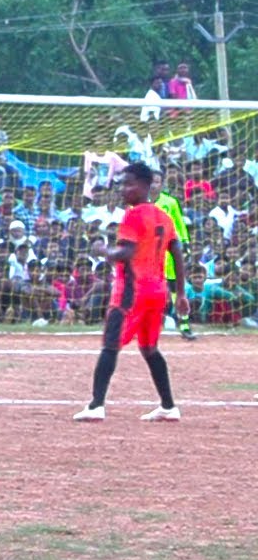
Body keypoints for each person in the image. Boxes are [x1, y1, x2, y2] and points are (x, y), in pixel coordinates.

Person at [74, 163, 189, 423]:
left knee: (110, 345)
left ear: (146, 186)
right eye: (122, 184)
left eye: (129, 184)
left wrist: (103, 251)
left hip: (132, 292)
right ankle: (169, 406)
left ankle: (96, 405)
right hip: (158, 291)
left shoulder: (133, 215)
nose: (124, 190)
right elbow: (177, 250)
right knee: (149, 347)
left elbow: (125, 253)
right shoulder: (163, 216)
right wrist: (180, 293)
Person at [151, 171, 195, 341]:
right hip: (148, 253)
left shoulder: (170, 202)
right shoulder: (139, 204)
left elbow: (179, 224)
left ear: (162, 184)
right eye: (152, 181)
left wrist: (185, 242)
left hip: (168, 252)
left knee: (176, 288)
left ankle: (183, 323)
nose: (154, 185)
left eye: (157, 181)